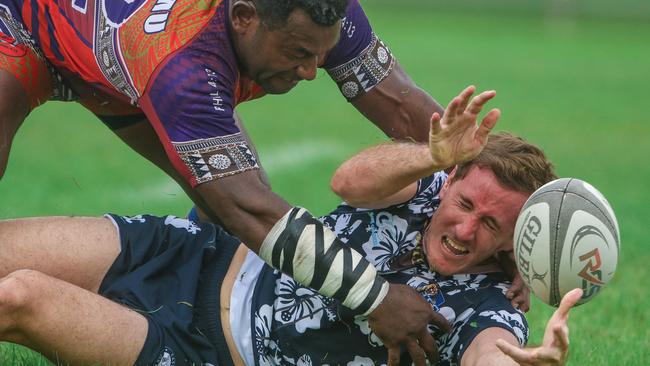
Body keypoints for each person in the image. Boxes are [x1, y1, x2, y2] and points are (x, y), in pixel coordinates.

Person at [0, 1, 449, 358]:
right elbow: (250, 208)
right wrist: (373, 296)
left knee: (219, 206)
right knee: (236, 202)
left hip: (119, 65)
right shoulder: (185, 65)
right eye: (297, 53)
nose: (312, 71)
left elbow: (402, 107)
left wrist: (504, 203)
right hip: (24, 27)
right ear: (244, 18)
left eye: (321, 54)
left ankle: (180, 318)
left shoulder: (328, 10)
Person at [0, 92, 580, 365]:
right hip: (197, 254)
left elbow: (492, 353)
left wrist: (530, 359)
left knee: (19, 297)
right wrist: (429, 157)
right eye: (465, 201)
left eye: (490, 224)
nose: (465, 225)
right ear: (450, 182)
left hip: (205, 354)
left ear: (511, 242)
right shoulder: (423, 187)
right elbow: (349, 180)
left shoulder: (489, 303)